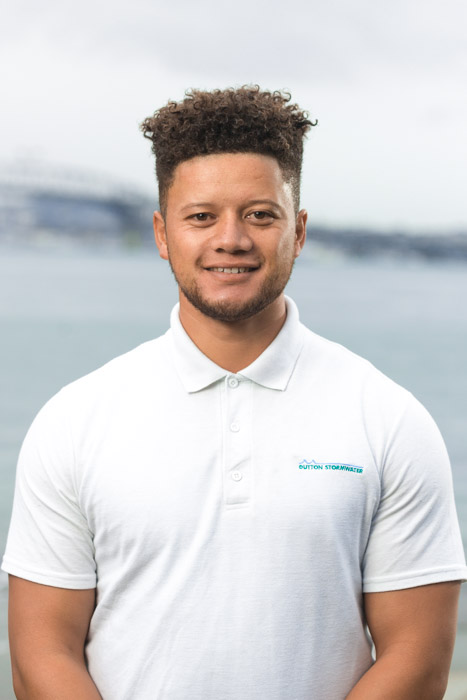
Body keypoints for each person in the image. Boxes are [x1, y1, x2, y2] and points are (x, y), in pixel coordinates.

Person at [2, 86, 467, 700]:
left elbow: (419, 659)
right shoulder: (75, 420)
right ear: (162, 233)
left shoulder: (389, 419)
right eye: (201, 217)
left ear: (298, 231)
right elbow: (41, 655)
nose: (231, 239)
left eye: (260, 215)